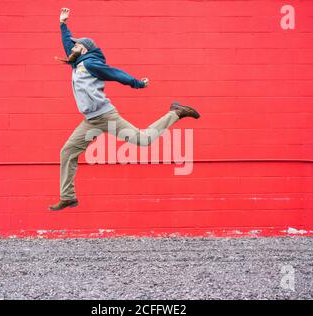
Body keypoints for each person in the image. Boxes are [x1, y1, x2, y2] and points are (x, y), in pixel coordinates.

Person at [49, 8, 201, 211]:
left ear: (84, 49)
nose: (72, 48)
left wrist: (137, 83)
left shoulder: (91, 64)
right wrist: (63, 24)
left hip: (105, 116)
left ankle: (176, 112)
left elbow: (115, 73)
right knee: (67, 152)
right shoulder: (77, 63)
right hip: (90, 121)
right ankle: (68, 197)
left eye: (77, 46)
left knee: (144, 139)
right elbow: (69, 44)